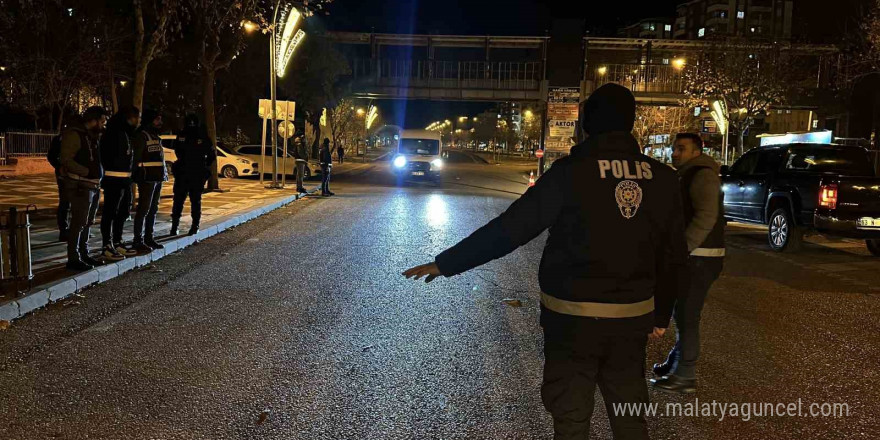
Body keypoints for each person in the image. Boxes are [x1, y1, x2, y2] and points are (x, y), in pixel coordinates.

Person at [403, 83, 688, 440]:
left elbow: (511, 229)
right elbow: (674, 255)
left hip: (571, 319)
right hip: (631, 320)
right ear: (630, 122)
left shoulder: (570, 173)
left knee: (570, 414)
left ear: (588, 123)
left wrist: (447, 263)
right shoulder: (663, 179)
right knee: (630, 414)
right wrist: (661, 314)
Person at [650, 133, 725, 394]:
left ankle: (685, 375)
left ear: (697, 151)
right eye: (674, 149)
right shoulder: (688, 174)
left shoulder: (702, 174)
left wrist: (681, 249)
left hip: (701, 257)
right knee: (683, 313)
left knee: (687, 316)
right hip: (696, 256)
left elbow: (706, 216)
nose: (675, 153)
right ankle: (676, 364)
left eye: (681, 149)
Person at [59, 106, 108, 271]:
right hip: (80, 185)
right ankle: (73, 258)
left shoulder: (92, 136)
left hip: (92, 185)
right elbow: (66, 160)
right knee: (78, 223)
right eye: (102, 122)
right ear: (93, 120)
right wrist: (87, 172)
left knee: (87, 222)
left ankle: (84, 253)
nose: (103, 125)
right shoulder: (74, 135)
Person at [99, 106, 141, 261]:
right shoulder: (112, 133)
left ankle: (117, 241)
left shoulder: (126, 134)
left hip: (125, 179)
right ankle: (106, 245)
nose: (137, 121)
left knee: (123, 212)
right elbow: (106, 156)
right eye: (135, 117)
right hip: (113, 179)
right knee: (110, 212)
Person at [170, 114, 216, 237]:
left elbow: (211, 156)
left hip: (192, 172)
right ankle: (180, 226)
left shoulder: (198, 136)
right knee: (187, 200)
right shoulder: (192, 135)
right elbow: (211, 156)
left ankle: (189, 226)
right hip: (188, 171)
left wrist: (203, 166)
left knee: (186, 200)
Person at [131, 109, 167, 252]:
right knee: (143, 210)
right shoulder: (142, 136)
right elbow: (136, 158)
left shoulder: (156, 137)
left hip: (157, 178)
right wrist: (137, 175)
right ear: (150, 120)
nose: (160, 122)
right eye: (157, 119)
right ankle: (137, 240)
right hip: (146, 178)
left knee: (153, 209)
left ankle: (149, 238)